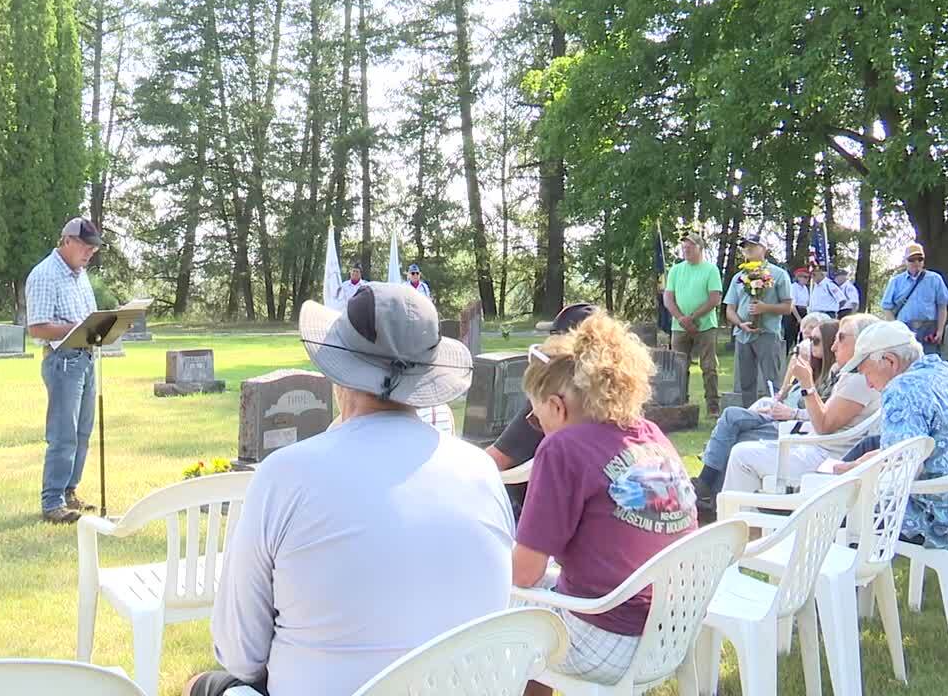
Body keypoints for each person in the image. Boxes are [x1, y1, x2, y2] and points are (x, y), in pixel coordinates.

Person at [191, 283, 513, 696]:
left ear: (338, 371)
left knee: (205, 686)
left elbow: (239, 654)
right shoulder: (480, 473)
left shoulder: (285, 476)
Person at [511, 314, 697, 691]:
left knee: (497, 614)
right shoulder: (650, 434)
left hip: (612, 639)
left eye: (535, 416)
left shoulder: (562, 449)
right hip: (671, 631)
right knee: (540, 605)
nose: (537, 425)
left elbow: (523, 574)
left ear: (557, 406)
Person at [836, 321, 948, 549]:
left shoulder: (903, 388)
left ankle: (828, 579)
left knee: (837, 511)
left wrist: (859, 470)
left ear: (890, 361)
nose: (869, 385)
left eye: (866, 373)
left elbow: (901, 467)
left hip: (941, 521)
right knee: (870, 449)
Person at [693, 315, 878, 510]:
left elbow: (823, 425)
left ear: (863, 341)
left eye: (841, 338)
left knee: (741, 453)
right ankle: (730, 512)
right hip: (814, 445)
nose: (833, 347)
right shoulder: (851, 376)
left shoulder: (858, 380)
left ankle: (733, 518)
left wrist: (806, 385)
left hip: (823, 456)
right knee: (741, 439)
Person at [24, 217, 104, 524]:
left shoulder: (79, 275)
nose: (89, 254)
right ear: (67, 241)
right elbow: (37, 327)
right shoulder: (45, 275)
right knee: (63, 434)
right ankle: (52, 501)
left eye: (93, 250)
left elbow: (88, 315)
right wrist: (78, 329)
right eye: (85, 247)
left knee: (82, 432)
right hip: (63, 361)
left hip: (85, 358)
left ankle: (70, 491)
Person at [486, 303, 598, 519]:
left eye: (552, 335)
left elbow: (496, 461)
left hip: (544, 513)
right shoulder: (620, 398)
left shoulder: (552, 399)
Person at [724, 233, 792, 401]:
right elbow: (730, 309)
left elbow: (788, 307)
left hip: (767, 334)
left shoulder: (778, 274)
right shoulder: (738, 277)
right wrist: (740, 325)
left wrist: (765, 308)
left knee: (772, 381)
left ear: (764, 249)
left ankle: (775, 417)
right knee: (746, 383)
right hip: (743, 335)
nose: (748, 249)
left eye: (752, 246)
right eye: (745, 246)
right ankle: (749, 416)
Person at [663, 233, 723, 417]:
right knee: (679, 366)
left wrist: (693, 317)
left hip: (705, 326)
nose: (686, 250)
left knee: (708, 366)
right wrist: (681, 318)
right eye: (683, 247)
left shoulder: (711, 270)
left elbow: (715, 298)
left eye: (690, 247)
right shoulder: (676, 270)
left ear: (700, 248)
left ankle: (712, 406)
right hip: (679, 327)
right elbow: (668, 297)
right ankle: (680, 403)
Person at [881, 243, 948, 355]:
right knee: (906, 363)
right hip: (904, 328)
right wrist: (896, 330)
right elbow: (887, 308)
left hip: (928, 328)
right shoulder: (896, 281)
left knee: (930, 363)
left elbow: (942, 306)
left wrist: (940, 330)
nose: (916, 262)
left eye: (920, 259)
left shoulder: (935, 279)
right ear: (905, 261)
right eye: (912, 259)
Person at [785, 267, 810, 353]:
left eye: (807, 277)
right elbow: (792, 304)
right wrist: (798, 318)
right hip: (793, 313)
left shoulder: (805, 289)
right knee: (790, 335)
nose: (806, 279)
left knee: (801, 336)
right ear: (798, 277)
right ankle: (785, 354)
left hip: (803, 311)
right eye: (804, 277)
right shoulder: (793, 287)